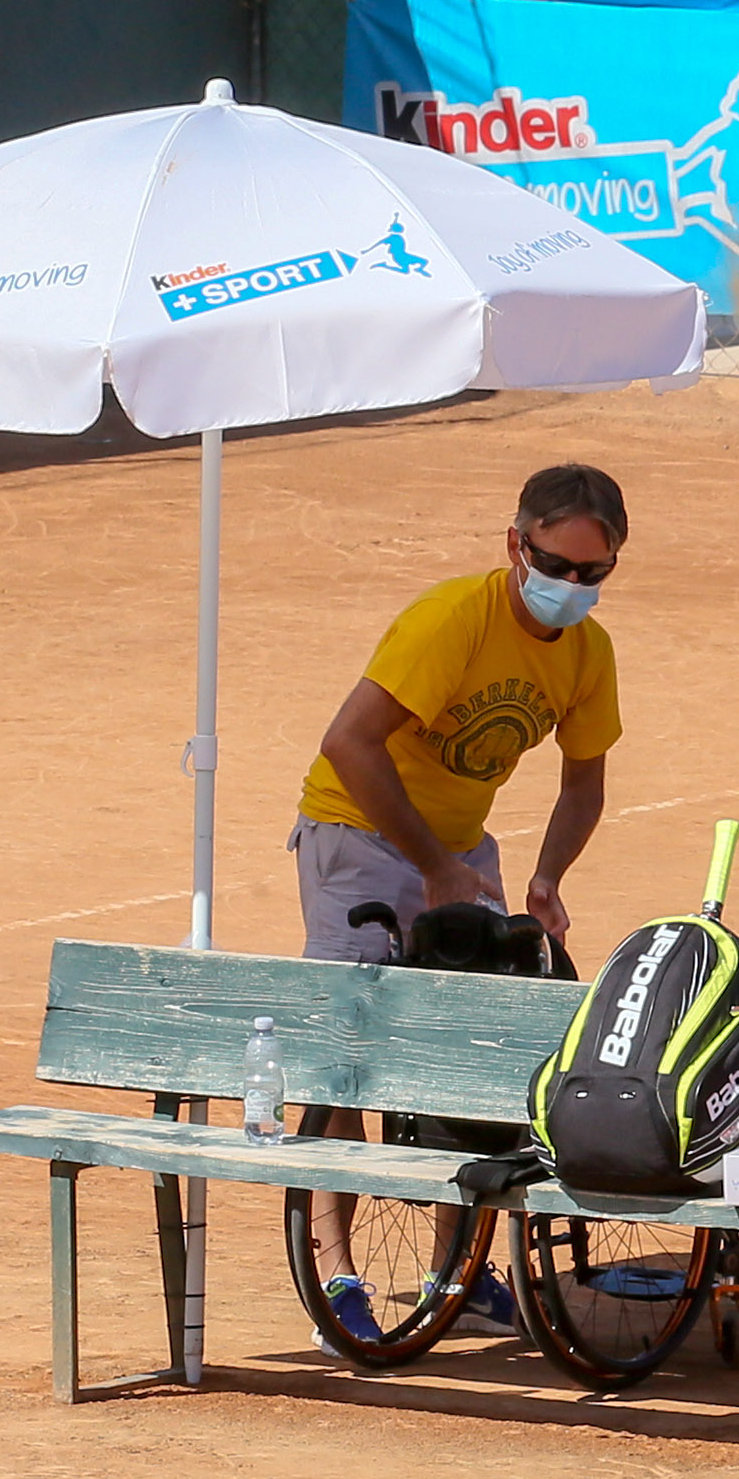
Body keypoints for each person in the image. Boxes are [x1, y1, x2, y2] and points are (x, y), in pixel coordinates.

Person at [288, 463, 630, 1349]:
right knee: (347, 1054)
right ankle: (337, 1278)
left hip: (457, 852)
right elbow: (349, 745)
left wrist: (548, 874)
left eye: (595, 574)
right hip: (358, 833)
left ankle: (458, 1274)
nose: (573, 588)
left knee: (466, 1050)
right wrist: (434, 864)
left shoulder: (588, 655)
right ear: (516, 545)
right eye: (558, 565)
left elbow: (583, 782)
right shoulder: (452, 619)